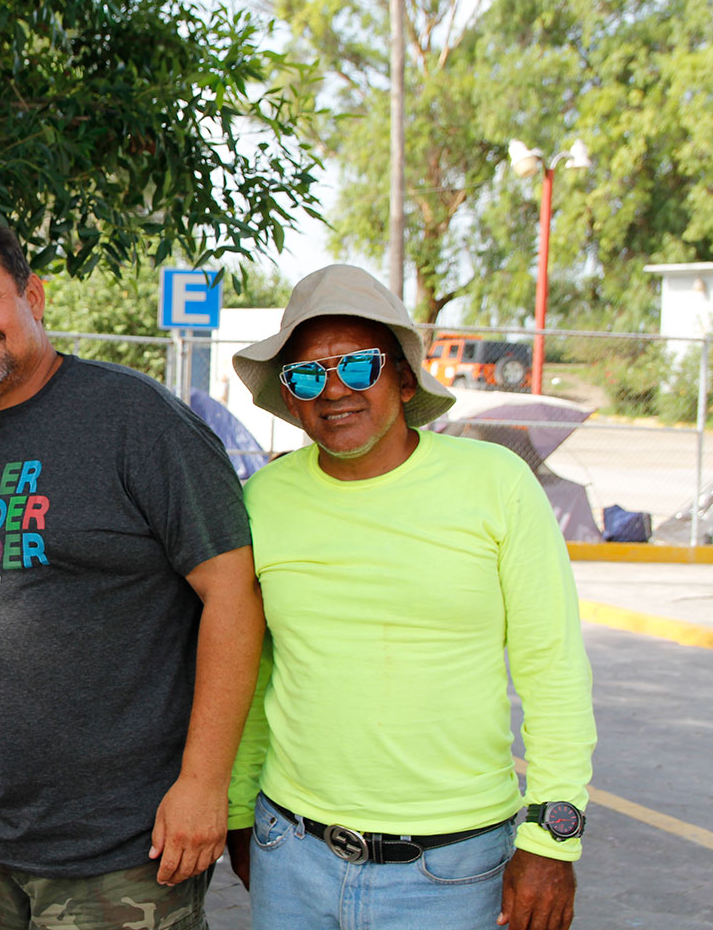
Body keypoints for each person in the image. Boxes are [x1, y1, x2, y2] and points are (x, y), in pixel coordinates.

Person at [0, 211, 264, 929]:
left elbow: (234, 593)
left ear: (32, 297)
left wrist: (204, 782)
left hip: (122, 845)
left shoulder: (138, 420)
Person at [225, 264, 596, 930]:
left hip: (451, 871)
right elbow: (256, 674)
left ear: (402, 376)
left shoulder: (496, 484)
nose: (333, 390)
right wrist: (237, 815)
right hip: (291, 856)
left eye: (357, 366)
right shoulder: (264, 500)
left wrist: (551, 839)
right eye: (307, 375)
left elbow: (554, 669)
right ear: (291, 396)